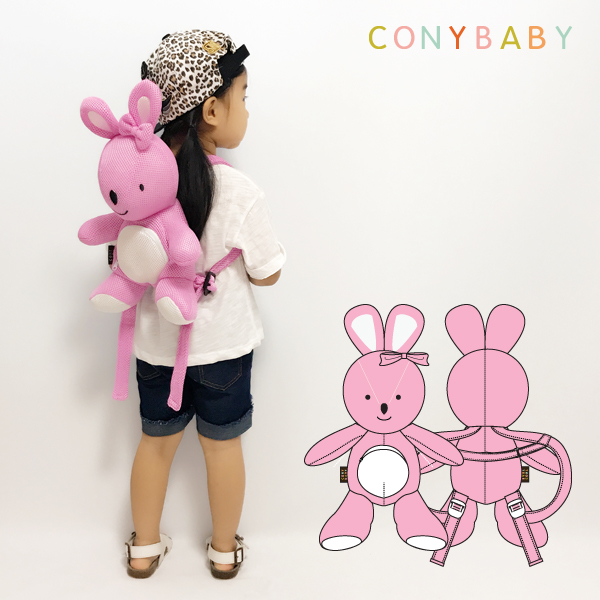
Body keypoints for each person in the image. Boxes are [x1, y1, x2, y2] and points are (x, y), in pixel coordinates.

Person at [123, 30, 285, 579]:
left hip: (157, 349)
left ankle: (144, 548)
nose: (247, 109)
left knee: (155, 445)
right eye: (244, 95)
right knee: (222, 448)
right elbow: (268, 272)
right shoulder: (240, 192)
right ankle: (222, 550)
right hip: (223, 349)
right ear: (212, 110)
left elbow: (126, 259)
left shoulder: (139, 185)